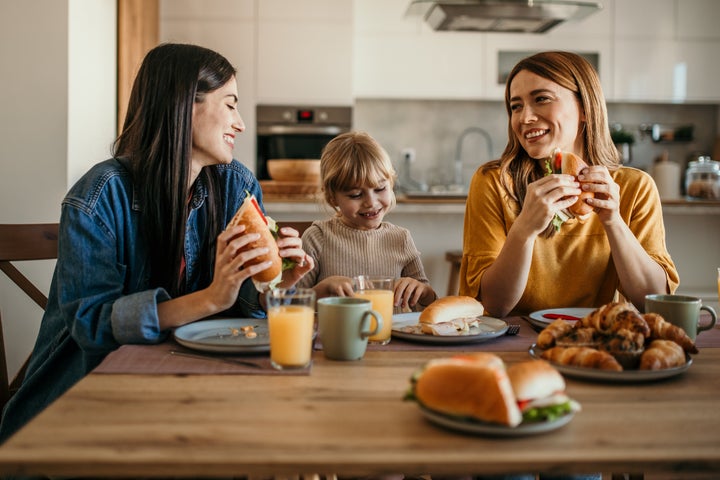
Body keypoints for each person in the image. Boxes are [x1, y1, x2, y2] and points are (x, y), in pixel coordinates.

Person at [0, 43, 313, 443]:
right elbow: (92, 327)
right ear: (185, 105)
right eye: (230, 105)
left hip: (197, 392)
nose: (241, 123)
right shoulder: (99, 196)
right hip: (86, 409)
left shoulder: (237, 185)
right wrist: (210, 299)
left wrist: (275, 287)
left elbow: (246, 313)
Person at [460, 50, 679, 319]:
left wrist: (613, 221)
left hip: (598, 343)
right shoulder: (493, 182)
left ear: (585, 109)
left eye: (541, 99)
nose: (524, 117)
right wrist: (525, 229)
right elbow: (493, 306)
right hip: (512, 342)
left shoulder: (635, 187)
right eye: (516, 106)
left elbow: (654, 302)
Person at [297, 131, 437, 311]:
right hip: (337, 338)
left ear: (391, 185)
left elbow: (430, 304)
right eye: (355, 194)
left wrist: (422, 291)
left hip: (392, 338)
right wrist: (323, 289)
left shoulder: (401, 238)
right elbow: (294, 304)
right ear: (332, 198)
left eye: (380, 189)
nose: (371, 202)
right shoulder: (318, 237)